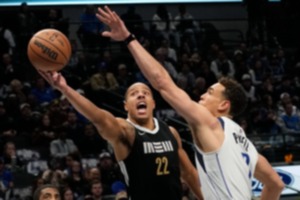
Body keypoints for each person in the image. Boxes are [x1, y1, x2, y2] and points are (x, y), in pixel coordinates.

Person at [96, 6, 285, 200]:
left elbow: (162, 83)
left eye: (210, 93)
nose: (202, 96)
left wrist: (128, 38)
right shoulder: (244, 143)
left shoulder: (211, 123)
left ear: (223, 105)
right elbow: (276, 184)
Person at [38, 74, 202, 200]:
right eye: (133, 93)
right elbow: (99, 118)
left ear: (153, 103)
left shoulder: (171, 132)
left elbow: (188, 173)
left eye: (145, 93)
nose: (140, 95)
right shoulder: (126, 130)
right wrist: (65, 89)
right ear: (125, 106)